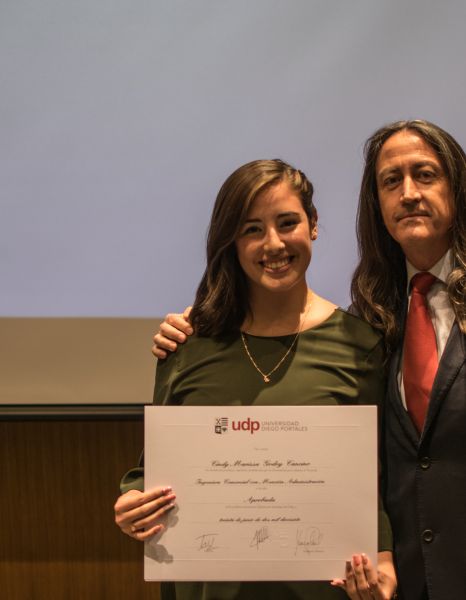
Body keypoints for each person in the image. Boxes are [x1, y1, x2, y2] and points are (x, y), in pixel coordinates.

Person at [154, 120, 466, 600]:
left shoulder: (357, 337)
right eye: (391, 181)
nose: (408, 194)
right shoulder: (376, 320)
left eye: (425, 174)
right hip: (409, 577)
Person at [115, 159, 396, 600]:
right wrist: (133, 504)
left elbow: (375, 479)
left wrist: (383, 561)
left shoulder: (360, 345)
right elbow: (151, 472)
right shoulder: (187, 345)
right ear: (231, 240)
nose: (274, 243)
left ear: (313, 224)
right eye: (252, 229)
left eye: (287, 223)